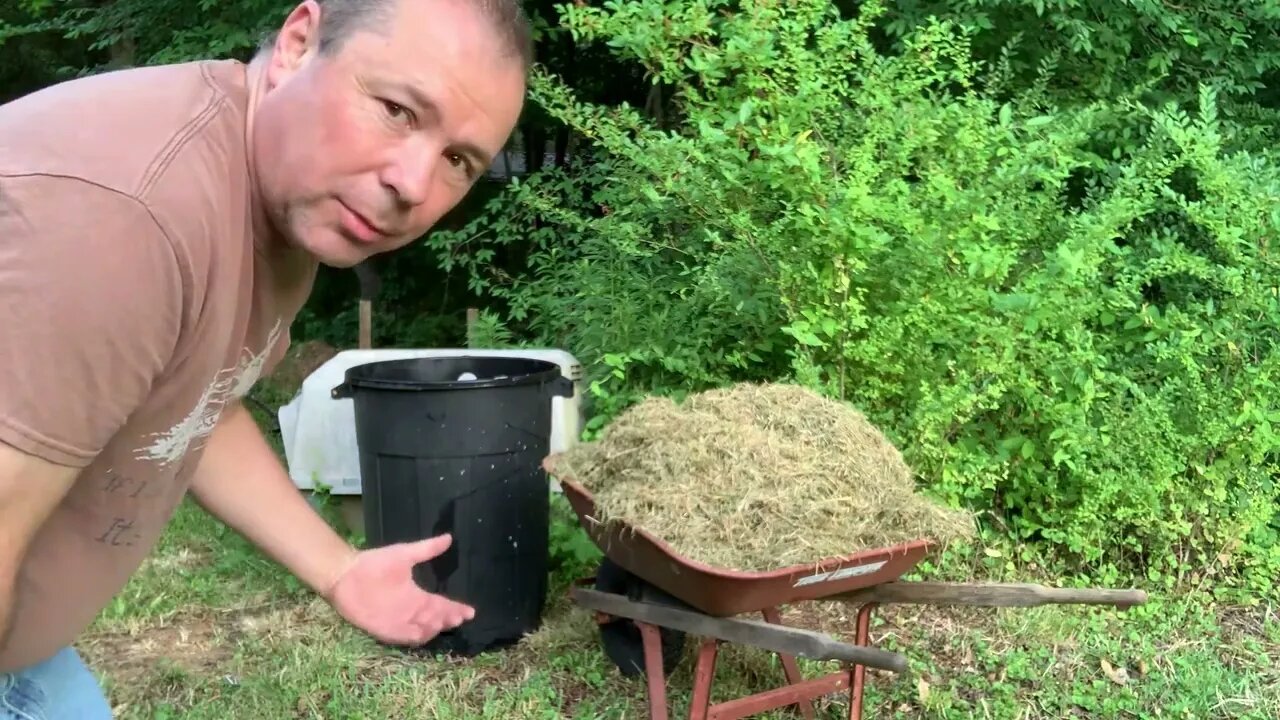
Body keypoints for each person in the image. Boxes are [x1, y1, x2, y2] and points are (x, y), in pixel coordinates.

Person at [0, 0, 530, 715]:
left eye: (458, 160)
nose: (413, 183)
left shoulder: (280, 200)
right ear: (298, 42)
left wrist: (339, 570)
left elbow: (193, 402)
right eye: (399, 111)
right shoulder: (130, 222)